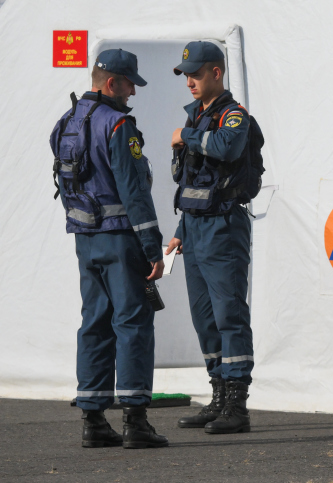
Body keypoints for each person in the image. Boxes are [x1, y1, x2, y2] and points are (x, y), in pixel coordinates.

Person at [49, 49, 168, 449]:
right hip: (121, 239)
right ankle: (136, 421)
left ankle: (94, 420)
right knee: (133, 324)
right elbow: (135, 192)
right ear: (112, 82)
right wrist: (153, 248)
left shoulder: (65, 122)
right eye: (130, 82)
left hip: (86, 241)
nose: (133, 91)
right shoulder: (118, 126)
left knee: (94, 323)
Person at [166, 41, 256, 434]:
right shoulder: (196, 117)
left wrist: (186, 136)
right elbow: (191, 184)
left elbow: (227, 147)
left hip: (223, 226)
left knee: (229, 315)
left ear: (216, 73)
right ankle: (218, 397)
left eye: (196, 73)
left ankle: (237, 406)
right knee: (204, 319)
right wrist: (179, 232)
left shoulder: (233, 115)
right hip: (196, 228)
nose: (189, 80)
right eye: (186, 74)